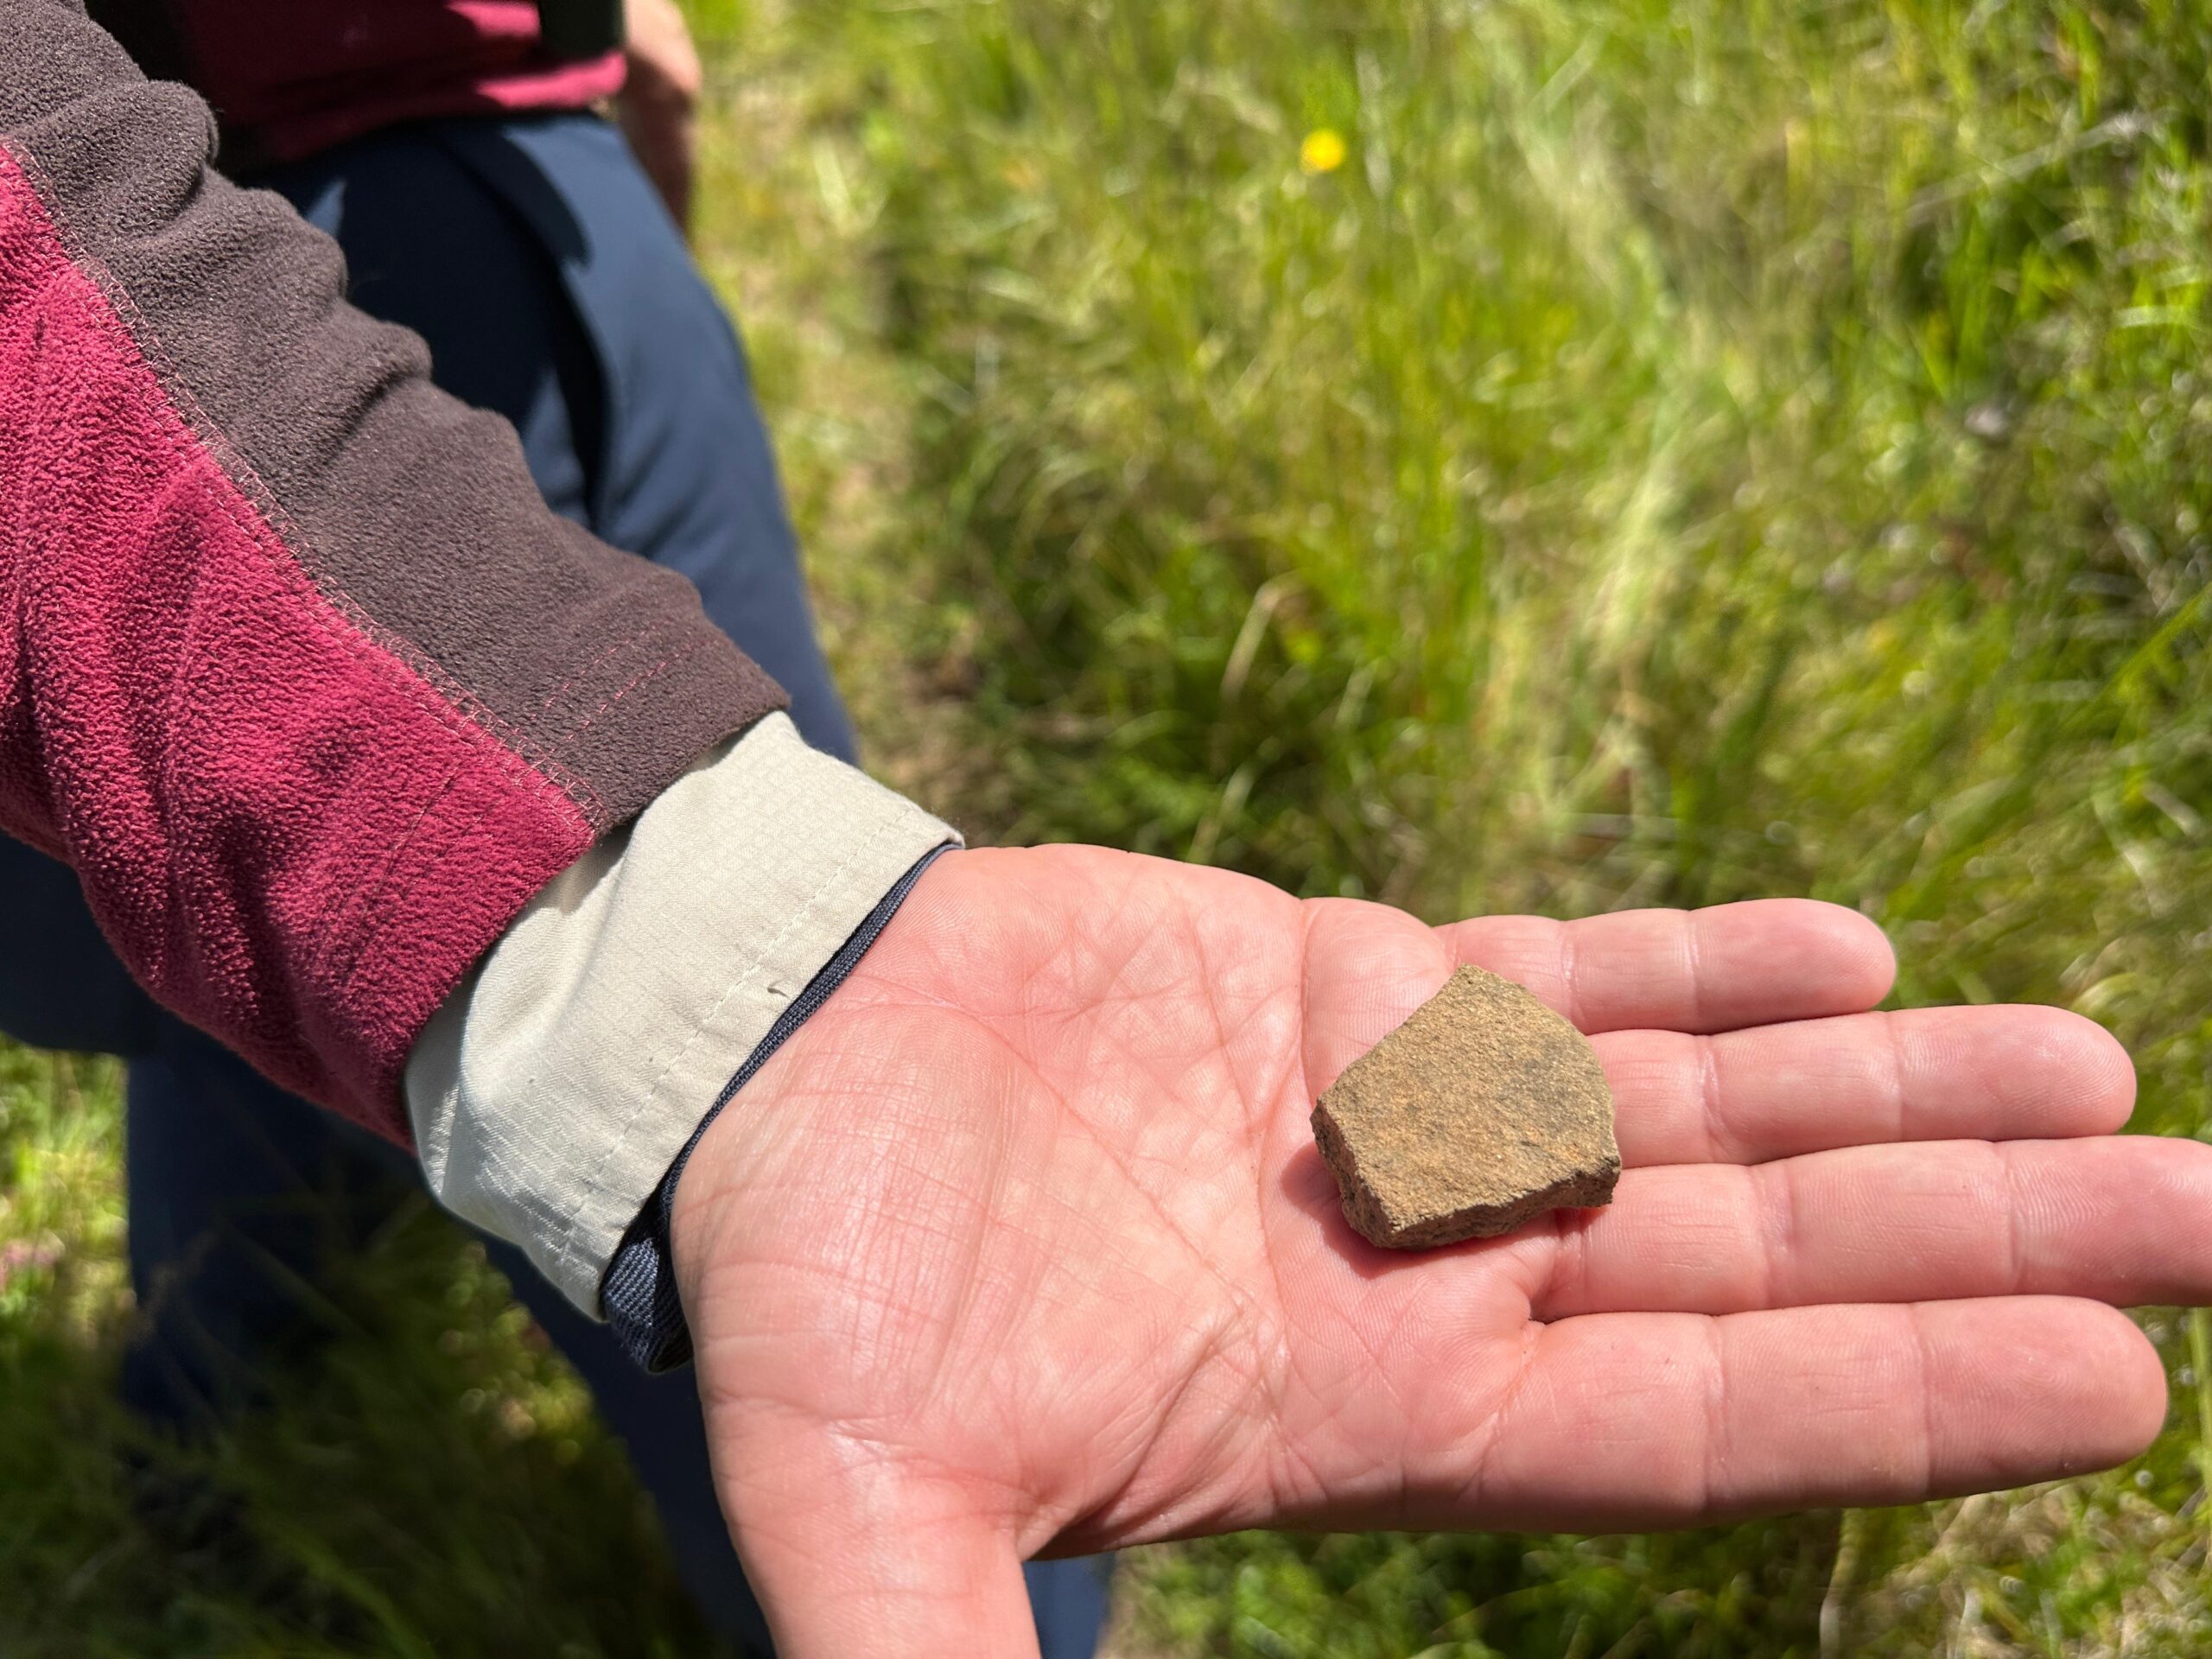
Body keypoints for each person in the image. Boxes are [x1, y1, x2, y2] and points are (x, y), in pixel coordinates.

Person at [2, 4, 2209, 1658]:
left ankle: (211, 1455)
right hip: (230, 261)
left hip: (403, 139)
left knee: (322, 918)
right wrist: (695, 987)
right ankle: (231, 1440)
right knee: (368, 917)